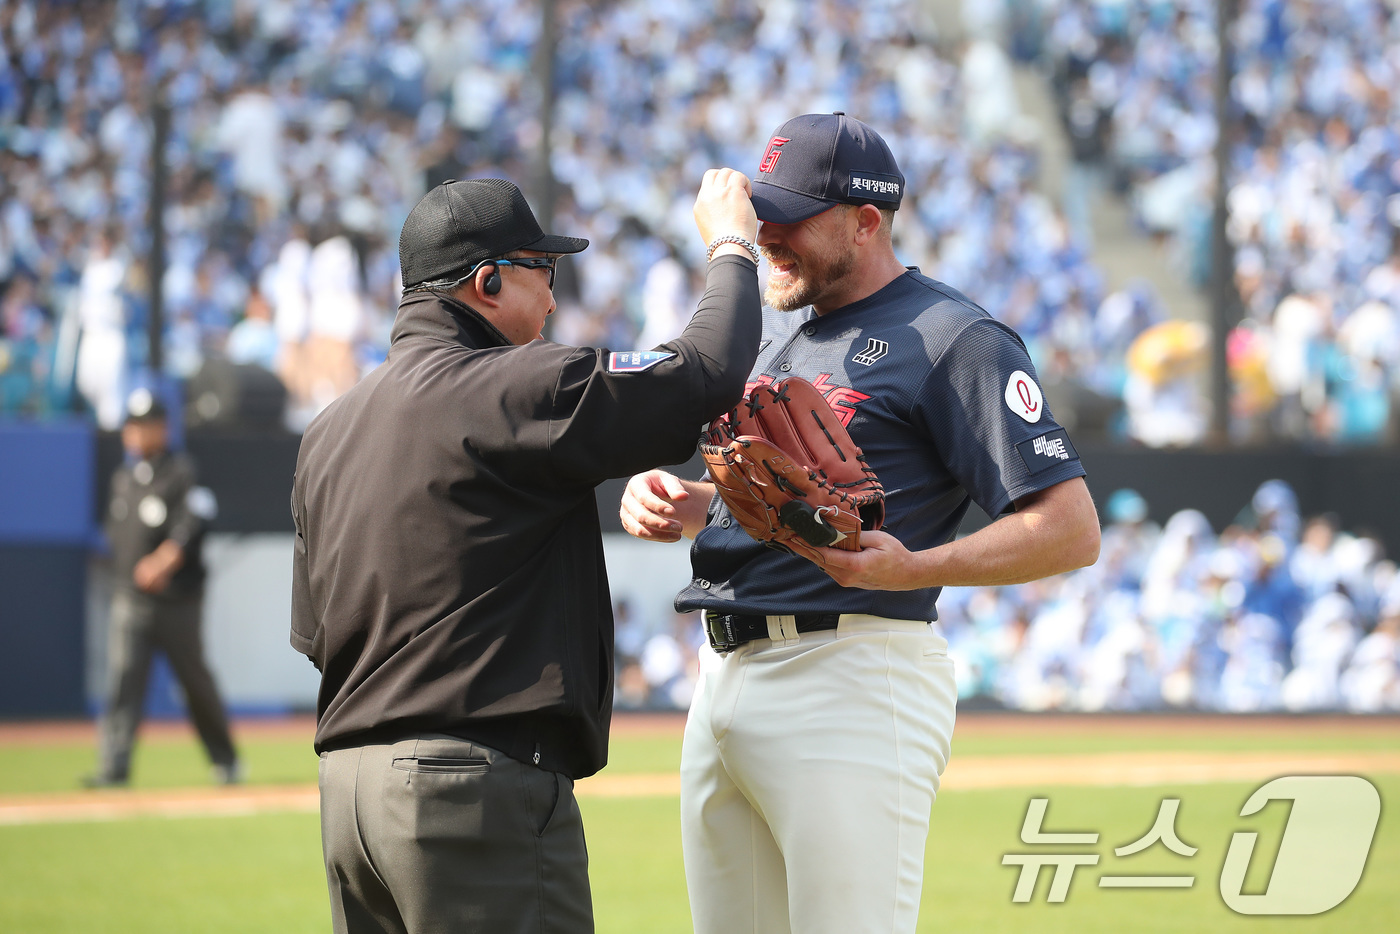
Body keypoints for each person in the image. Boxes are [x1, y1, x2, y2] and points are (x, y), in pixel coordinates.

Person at [619, 113, 1102, 934]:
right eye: (759, 210)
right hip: (725, 677)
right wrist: (691, 501)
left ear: (865, 221)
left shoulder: (956, 338)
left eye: (789, 214)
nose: (766, 232)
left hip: (851, 673)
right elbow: (787, 500)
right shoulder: (781, 336)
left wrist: (914, 566)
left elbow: (1070, 527)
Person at [290, 173, 762, 934]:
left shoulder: (328, 431)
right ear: (487, 280)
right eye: (543, 272)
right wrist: (734, 246)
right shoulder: (514, 384)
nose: (552, 299)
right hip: (467, 792)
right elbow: (701, 375)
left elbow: (317, 639)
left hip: (348, 801)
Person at [86, 388, 238, 787]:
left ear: (162, 428)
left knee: (193, 683)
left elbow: (192, 525)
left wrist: (162, 561)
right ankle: (113, 767)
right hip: (131, 599)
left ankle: (225, 760)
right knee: (122, 680)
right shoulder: (123, 478)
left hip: (177, 601)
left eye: (144, 425)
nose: (136, 433)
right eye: (131, 425)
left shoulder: (181, 472)